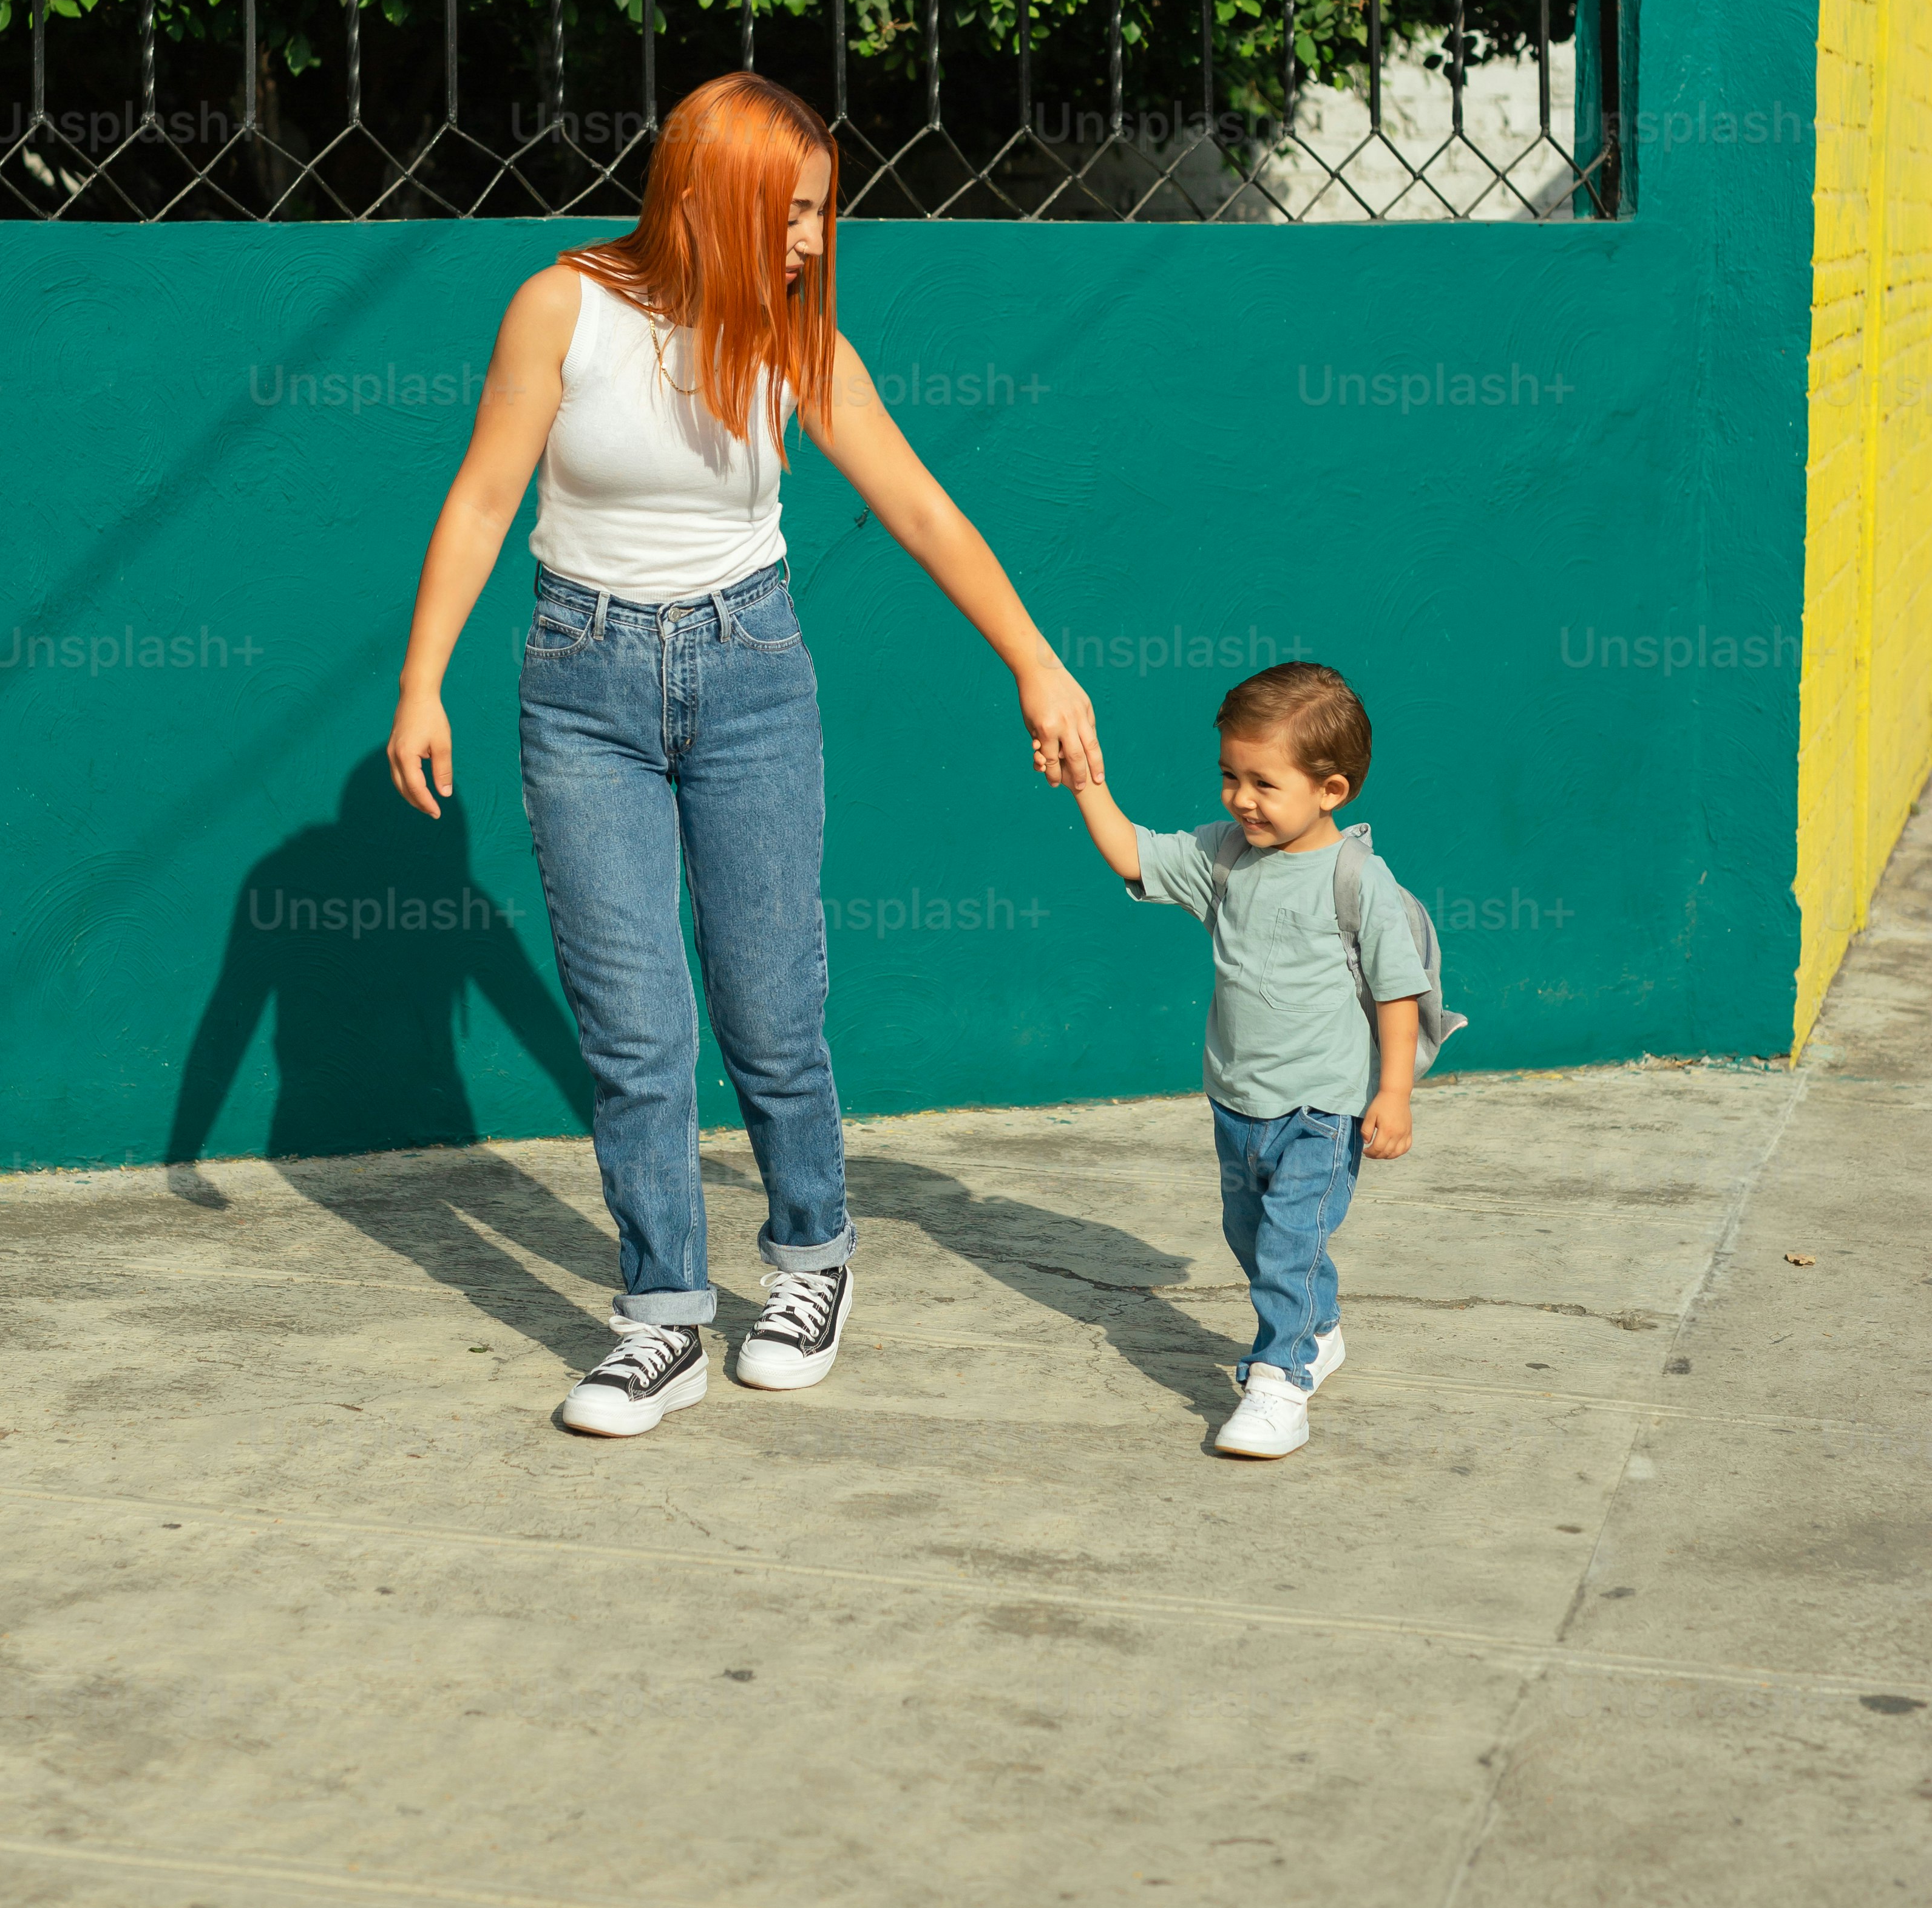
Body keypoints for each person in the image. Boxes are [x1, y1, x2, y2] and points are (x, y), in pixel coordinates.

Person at [386, 71, 1101, 1438]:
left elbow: (918, 505)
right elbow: (483, 498)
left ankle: (810, 1262)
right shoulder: (562, 306)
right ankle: (660, 1321)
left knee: (770, 1008)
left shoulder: (789, 334)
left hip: (750, 678)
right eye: (795, 214)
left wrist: (1037, 659)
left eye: (824, 215)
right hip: (578, 687)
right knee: (635, 1031)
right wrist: (423, 683)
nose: (815, 242)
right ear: (713, 197)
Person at [1064, 660, 1426, 1461]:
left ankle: (1278, 1384)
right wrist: (1086, 782)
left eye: (1264, 783)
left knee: (1291, 1243)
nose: (1240, 798)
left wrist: (1393, 1095)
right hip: (1235, 1103)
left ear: (1332, 789)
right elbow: (1132, 854)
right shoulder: (1225, 857)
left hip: (1322, 1111)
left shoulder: (1358, 879)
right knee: (1255, 1237)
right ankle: (1319, 1330)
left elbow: (1401, 993)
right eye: (1230, 775)